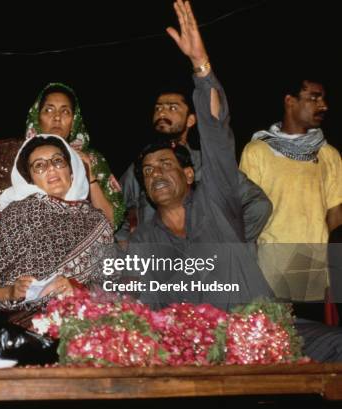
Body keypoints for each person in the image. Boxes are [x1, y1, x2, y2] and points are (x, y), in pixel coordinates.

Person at [124, 0, 342, 362]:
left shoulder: (217, 201)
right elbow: (151, 311)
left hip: (264, 329)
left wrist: (201, 67)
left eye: (164, 164)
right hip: (203, 349)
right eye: (147, 171)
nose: (155, 174)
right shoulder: (145, 240)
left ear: (189, 173)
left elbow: (215, 132)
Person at [0, 134, 115, 318]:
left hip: (82, 317)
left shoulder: (98, 222)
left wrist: (77, 289)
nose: (51, 169)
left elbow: (110, 287)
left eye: (57, 161)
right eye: (39, 165)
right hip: (21, 319)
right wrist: (11, 292)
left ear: (71, 171)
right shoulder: (19, 213)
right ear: (30, 180)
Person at [116, 87, 272, 246]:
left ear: (190, 120)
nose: (162, 114)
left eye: (172, 108)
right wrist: (125, 241)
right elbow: (114, 208)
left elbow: (258, 205)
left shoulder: (209, 164)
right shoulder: (143, 167)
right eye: (158, 108)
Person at [240, 76, 342, 308]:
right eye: (314, 98)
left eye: (324, 99)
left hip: (317, 278)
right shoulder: (257, 151)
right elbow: (246, 216)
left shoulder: (329, 155)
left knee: (320, 343)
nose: (323, 106)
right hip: (271, 275)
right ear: (290, 101)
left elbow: (335, 218)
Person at [25, 83, 125, 230]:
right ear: (37, 117)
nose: (57, 117)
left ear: (74, 121)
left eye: (65, 112)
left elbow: (111, 223)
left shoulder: (91, 158)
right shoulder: (20, 159)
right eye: (49, 110)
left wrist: (89, 175)